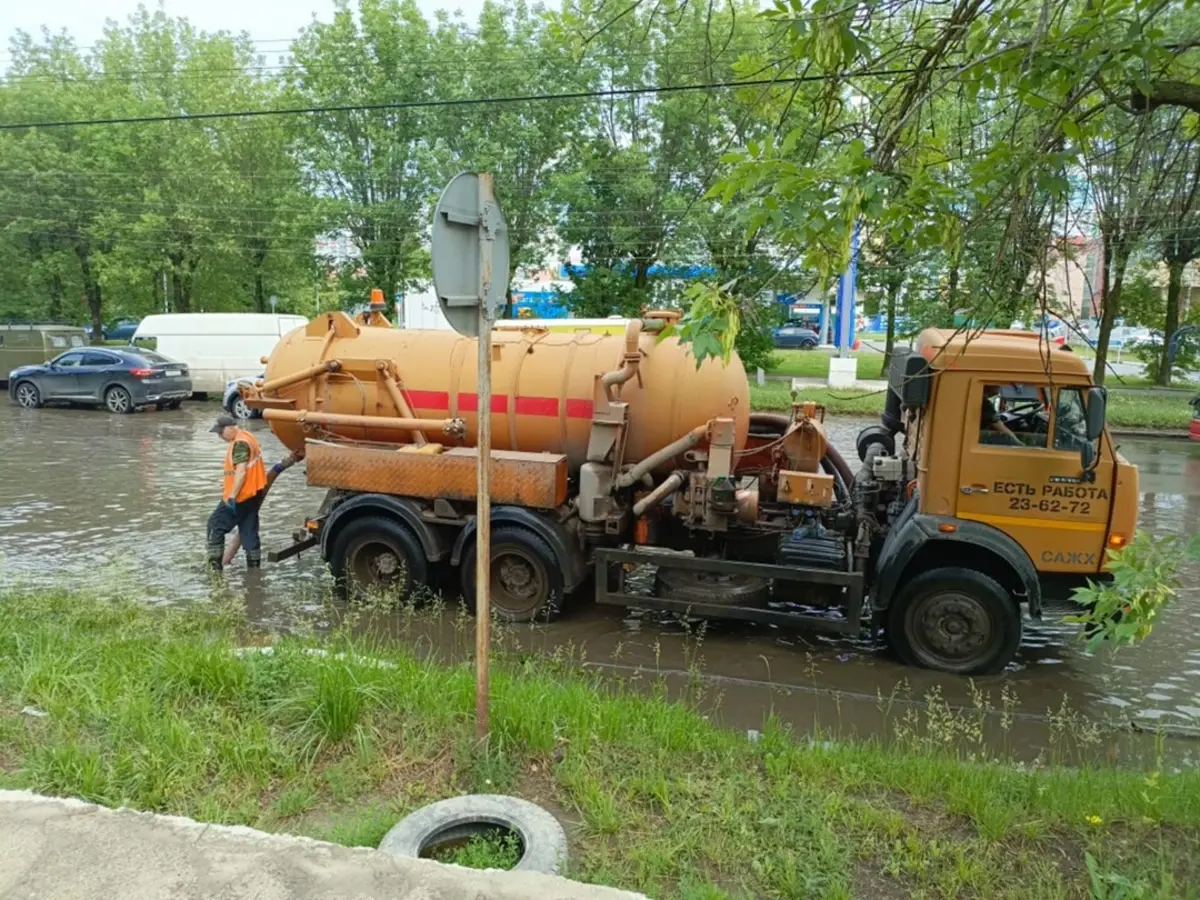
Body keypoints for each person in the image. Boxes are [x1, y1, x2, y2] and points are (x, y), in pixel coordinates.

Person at [206, 413, 270, 571]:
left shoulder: (240, 444)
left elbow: (241, 472)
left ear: (230, 428)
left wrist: (232, 496)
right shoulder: (248, 436)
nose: (220, 437)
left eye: (221, 432)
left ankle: (214, 571)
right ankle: (254, 573)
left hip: (239, 497)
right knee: (249, 533)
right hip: (253, 494)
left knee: (215, 526)